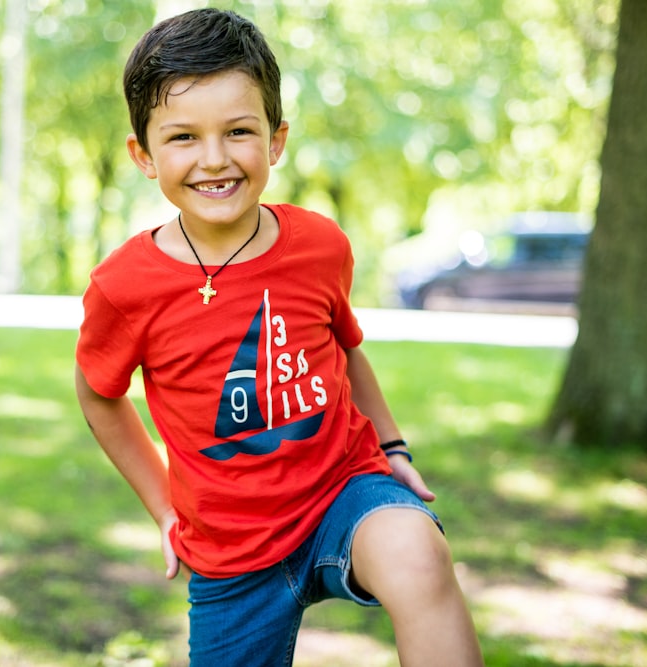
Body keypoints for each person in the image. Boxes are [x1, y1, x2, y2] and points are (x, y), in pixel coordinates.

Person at [74, 8, 484, 666]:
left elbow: (347, 349)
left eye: (238, 130)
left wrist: (393, 444)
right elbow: (98, 395)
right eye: (183, 137)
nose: (215, 158)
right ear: (143, 155)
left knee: (419, 553)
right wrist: (163, 505)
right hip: (230, 552)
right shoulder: (123, 287)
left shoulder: (319, 244)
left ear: (276, 140)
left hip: (342, 492)